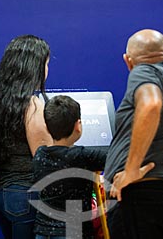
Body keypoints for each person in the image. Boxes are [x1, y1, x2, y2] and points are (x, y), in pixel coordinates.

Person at [105, 29, 163, 239]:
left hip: (142, 198)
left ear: (128, 61)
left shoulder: (144, 71)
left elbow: (151, 104)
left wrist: (131, 170)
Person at [0, 35, 53, 239]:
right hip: (26, 195)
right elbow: (45, 157)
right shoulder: (33, 105)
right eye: (46, 64)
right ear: (35, 66)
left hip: (2, 193)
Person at [32, 95, 109, 239]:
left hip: (43, 231)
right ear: (78, 125)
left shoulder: (40, 155)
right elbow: (115, 156)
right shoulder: (81, 156)